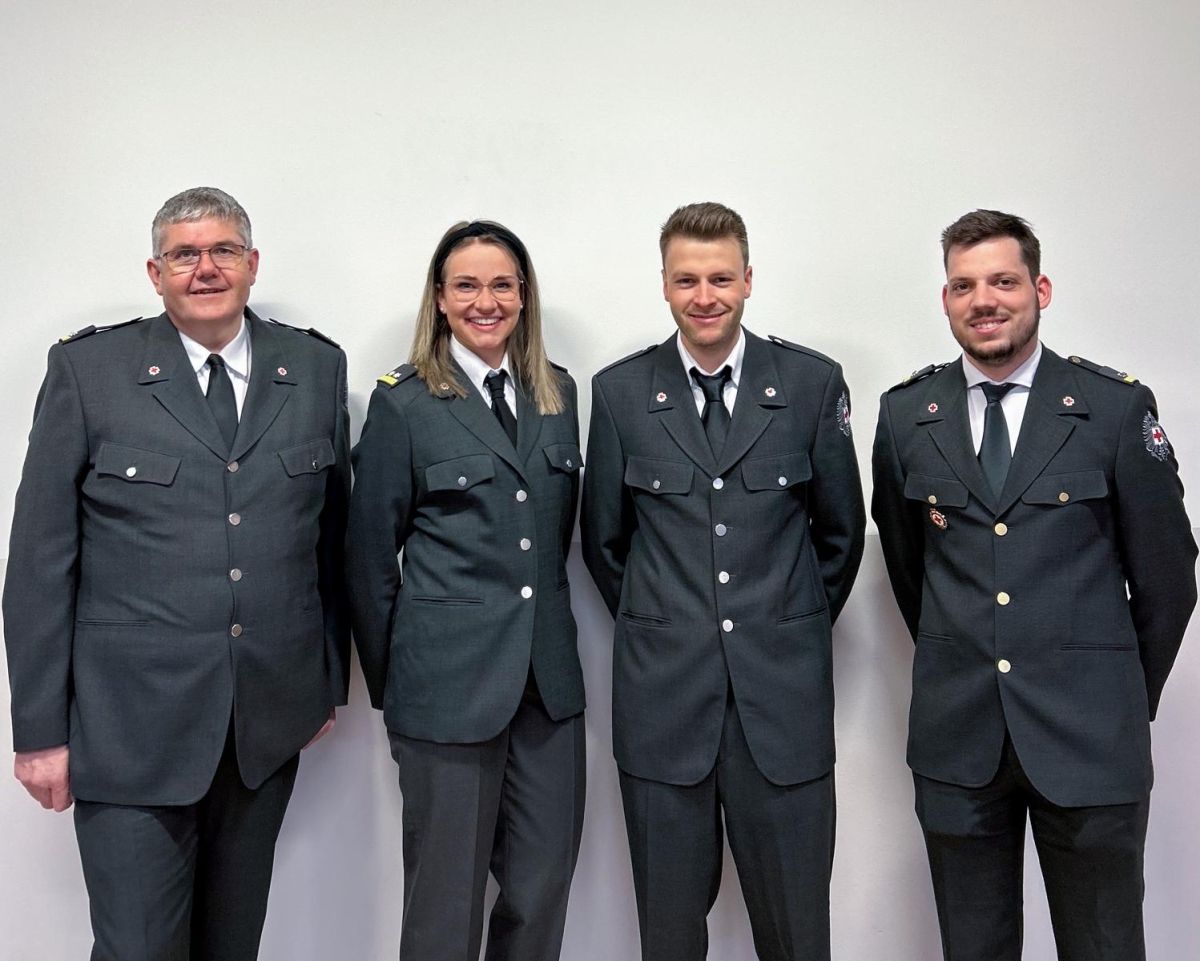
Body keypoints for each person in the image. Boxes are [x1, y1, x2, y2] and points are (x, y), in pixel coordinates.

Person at [3, 186, 351, 960]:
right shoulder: (90, 371)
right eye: (184, 255)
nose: (205, 268)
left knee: (232, 945)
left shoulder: (316, 368)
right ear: (155, 273)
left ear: (253, 263)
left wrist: (325, 678)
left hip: (263, 722)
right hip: (129, 729)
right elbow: (38, 562)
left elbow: (330, 541)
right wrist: (38, 732)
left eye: (223, 250)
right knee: (139, 949)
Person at [871, 208, 1197, 961]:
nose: (984, 299)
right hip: (960, 740)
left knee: (1105, 943)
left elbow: (1168, 577)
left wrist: (1115, 692)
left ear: (1040, 289)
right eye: (963, 285)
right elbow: (911, 567)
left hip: (1090, 738)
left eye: (1003, 281)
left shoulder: (1113, 409)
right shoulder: (904, 417)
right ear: (946, 299)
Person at [580, 201, 865, 960]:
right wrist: (671, 622)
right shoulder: (618, 393)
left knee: (798, 933)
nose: (704, 295)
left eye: (719, 277)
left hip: (783, 706)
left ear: (748, 280)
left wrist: (785, 623)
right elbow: (606, 545)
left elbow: (839, 536)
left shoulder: (810, 383)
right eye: (686, 279)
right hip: (663, 707)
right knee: (669, 937)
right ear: (664, 287)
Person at [346, 220, 586, 961]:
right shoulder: (406, 402)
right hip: (444, 693)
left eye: (503, 284)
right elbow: (365, 558)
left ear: (525, 296)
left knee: (541, 893)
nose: (487, 301)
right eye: (468, 285)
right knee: (444, 905)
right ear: (441, 299)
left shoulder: (557, 393)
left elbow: (557, 544)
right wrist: (402, 685)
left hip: (546, 691)